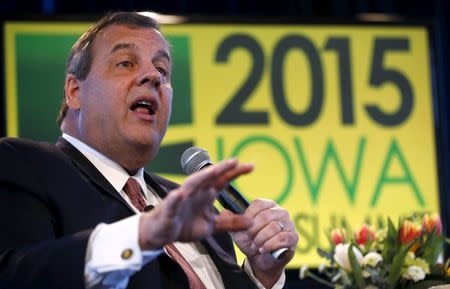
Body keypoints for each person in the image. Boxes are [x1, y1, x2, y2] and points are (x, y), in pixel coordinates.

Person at [0, 11, 299, 289]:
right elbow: (18, 275)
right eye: (126, 63)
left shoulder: (198, 210)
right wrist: (142, 235)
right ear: (75, 92)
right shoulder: (24, 164)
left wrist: (262, 274)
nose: (154, 77)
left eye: (162, 69)